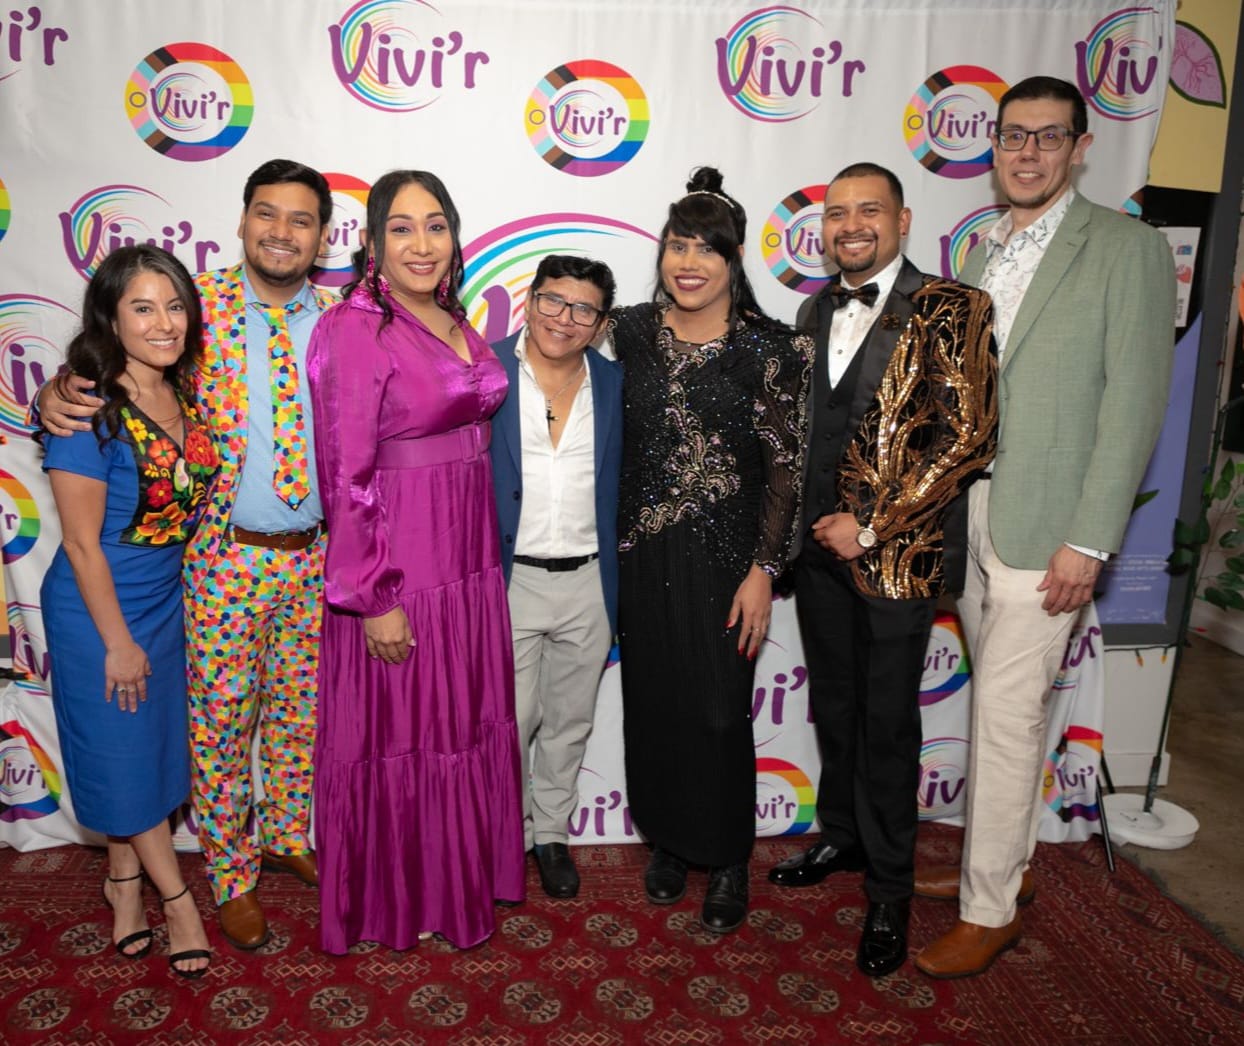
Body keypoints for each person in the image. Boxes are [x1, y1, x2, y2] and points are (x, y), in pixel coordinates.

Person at [37, 159, 337, 950]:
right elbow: (113, 362)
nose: (282, 232)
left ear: (322, 235)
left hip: (315, 557)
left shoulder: (342, 316)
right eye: (266, 214)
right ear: (240, 221)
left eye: (301, 220)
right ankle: (231, 875)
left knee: (297, 716)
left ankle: (285, 835)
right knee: (220, 721)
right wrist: (58, 390)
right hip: (221, 560)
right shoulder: (191, 306)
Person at [914, 76, 1176, 979]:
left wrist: (1092, 540)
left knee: (1007, 716)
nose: (1027, 153)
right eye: (1012, 137)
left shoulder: (1126, 249)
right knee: (1005, 717)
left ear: (1080, 146)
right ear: (993, 144)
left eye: (1047, 137)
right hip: (978, 516)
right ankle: (1007, 869)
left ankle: (991, 910)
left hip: (1052, 529)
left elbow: (1136, 404)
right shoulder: (985, 252)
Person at [765, 163, 998, 976]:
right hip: (819, 558)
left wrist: (869, 525)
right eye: (835, 214)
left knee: (890, 727)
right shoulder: (813, 306)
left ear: (903, 219)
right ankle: (845, 837)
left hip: (895, 559)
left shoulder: (953, 307)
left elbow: (969, 439)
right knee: (835, 706)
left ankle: (891, 890)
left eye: (868, 210)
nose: (849, 225)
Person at [308, 169, 525, 952]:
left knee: (459, 726)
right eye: (401, 228)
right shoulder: (355, 328)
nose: (422, 243)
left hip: (468, 562)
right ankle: (398, 899)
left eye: (436, 225)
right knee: (404, 735)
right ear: (370, 243)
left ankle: (455, 883)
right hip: (403, 565)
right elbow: (347, 472)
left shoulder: (448, 315)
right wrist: (373, 595)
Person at [610, 167, 812, 934]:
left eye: (707, 249)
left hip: (730, 563)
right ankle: (669, 839)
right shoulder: (628, 331)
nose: (688, 262)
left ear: (734, 263)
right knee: (654, 706)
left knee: (721, 714)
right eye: (676, 245)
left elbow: (786, 468)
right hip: (641, 553)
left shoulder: (773, 348)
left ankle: (727, 856)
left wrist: (766, 569)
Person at [39, 245, 217, 978]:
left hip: (163, 601)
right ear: (111, 318)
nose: (165, 322)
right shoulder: (87, 406)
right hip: (97, 611)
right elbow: (81, 545)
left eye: (175, 305)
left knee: (146, 756)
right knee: (121, 753)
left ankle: (121, 886)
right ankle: (175, 900)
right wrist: (115, 641)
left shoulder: (185, 392)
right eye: (144, 307)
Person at [490, 254, 622, 899]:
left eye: (583, 310)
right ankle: (506, 838)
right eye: (551, 300)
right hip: (509, 581)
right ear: (530, 300)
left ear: (600, 323)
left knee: (571, 721)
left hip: (590, 583)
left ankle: (552, 835)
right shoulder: (483, 369)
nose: (562, 319)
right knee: (510, 722)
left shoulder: (618, 384)